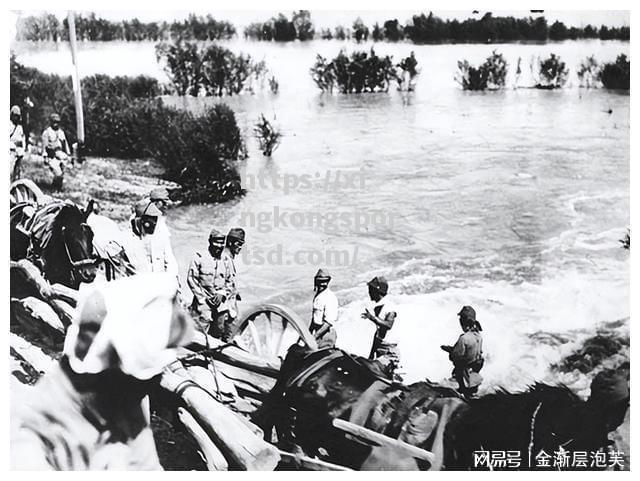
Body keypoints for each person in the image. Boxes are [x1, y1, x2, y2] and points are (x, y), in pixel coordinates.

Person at [10, 273, 194, 470]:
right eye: (144, 380)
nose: (152, 384)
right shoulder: (32, 439)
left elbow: (146, 463)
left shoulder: (123, 402)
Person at [187, 228, 234, 338]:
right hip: (203, 301)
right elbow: (192, 279)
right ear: (210, 241)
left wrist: (222, 293)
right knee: (201, 328)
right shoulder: (199, 257)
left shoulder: (226, 260)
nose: (219, 245)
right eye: (216, 242)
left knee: (220, 329)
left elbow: (230, 281)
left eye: (222, 242)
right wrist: (202, 298)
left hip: (220, 302)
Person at [440, 305, 484, 399]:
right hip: (474, 375)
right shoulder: (478, 336)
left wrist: (450, 350)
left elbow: (456, 357)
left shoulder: (464, 338)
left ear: (462, 322)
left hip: (463, 377)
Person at [361, 276, 400, 378]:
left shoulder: (389, 307)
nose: (369, 293)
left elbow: (388, 325)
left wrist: (372, 318)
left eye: (370, 290)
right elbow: (378, 334)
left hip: (389, 352)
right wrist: (371, 355)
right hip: (380, 349)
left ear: (377, 290)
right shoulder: (380, 307)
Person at [131, 200, 179, 279]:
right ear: (141, 220)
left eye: (155, 218)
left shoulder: (161, 236)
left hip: (159, 282)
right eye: (150, 218)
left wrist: (172, 279)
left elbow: (170, 260)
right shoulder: (129, 239)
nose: (154, 222)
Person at [220, 227, 245, 340]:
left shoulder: (228, 258)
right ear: (230, 242)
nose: (240, 247)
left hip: (229, 307)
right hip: (224, 308)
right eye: (238, 244)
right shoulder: (224, 258)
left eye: (242, 244)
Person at [310, 268, 338, 349]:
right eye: (320, 281)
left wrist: (314, 337)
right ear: (316, 282)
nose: (322, 284)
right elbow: (314, 319)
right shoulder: (317, 297)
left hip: (326, 335)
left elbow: (328, 323)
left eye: (325, 281)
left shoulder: (330, 297)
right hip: (318, 333)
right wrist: (307, 335)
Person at [10, 105, 26, 181]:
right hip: (11, 150)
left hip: (19, 152)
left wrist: (23, 149)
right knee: (10, 170)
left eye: (18, 116)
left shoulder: (20, 127)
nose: (17, 118)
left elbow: (22, 138)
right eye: (15, 116)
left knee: (17, 172)